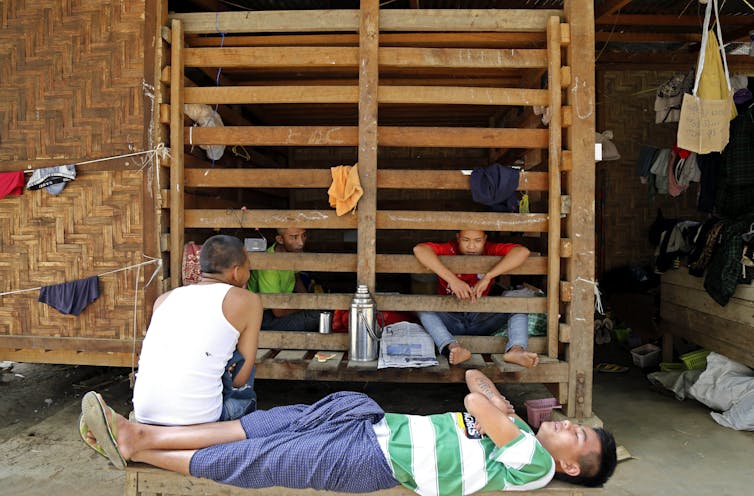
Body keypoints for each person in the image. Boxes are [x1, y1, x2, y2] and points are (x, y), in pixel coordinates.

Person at [80, 369, 617, 493]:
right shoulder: (519, 432)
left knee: (263, 459)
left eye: (579, 437)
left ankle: (140, 452)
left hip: (376, 462)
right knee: (265, 425)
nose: (570, 424)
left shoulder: (537, 466)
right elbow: (475, 378)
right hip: (375, 423)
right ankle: (141, 433)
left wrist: (492, 403)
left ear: (571, 465)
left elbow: (474, 395)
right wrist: (496, 403)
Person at [131, 235, 263, 425]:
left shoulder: (165, 299)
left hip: (145, 413)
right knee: (244, 381)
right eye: (248, 267)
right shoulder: (247, 301)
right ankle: (229, 444)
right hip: (200, 418)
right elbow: (239, 380)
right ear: (236, 272)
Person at [413, 229, 539, 367]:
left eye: (477, 241)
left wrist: (488, 277)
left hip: (481, 320)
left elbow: (522, 252)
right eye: (465, 240)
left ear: (485, 239)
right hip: (450, 320)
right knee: (421, 306)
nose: (471, 246)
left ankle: (516, 350)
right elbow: (420, 249)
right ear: (458, 238)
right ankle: (452, 347)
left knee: (517, 300)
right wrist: (452, 280)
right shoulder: (449, 249)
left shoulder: (489, 249)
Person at [252, 227, 320, 332]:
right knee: (316, 318)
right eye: (294, 237)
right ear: (280, 239)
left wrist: (310, 301)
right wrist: (306, 305)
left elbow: (297, 279)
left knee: (321, 314)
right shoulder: (269, 264)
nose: (301, 243)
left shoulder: (291, 255)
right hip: (265, 316)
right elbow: (278, 312)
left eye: (304, 235)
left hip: (284, 305)